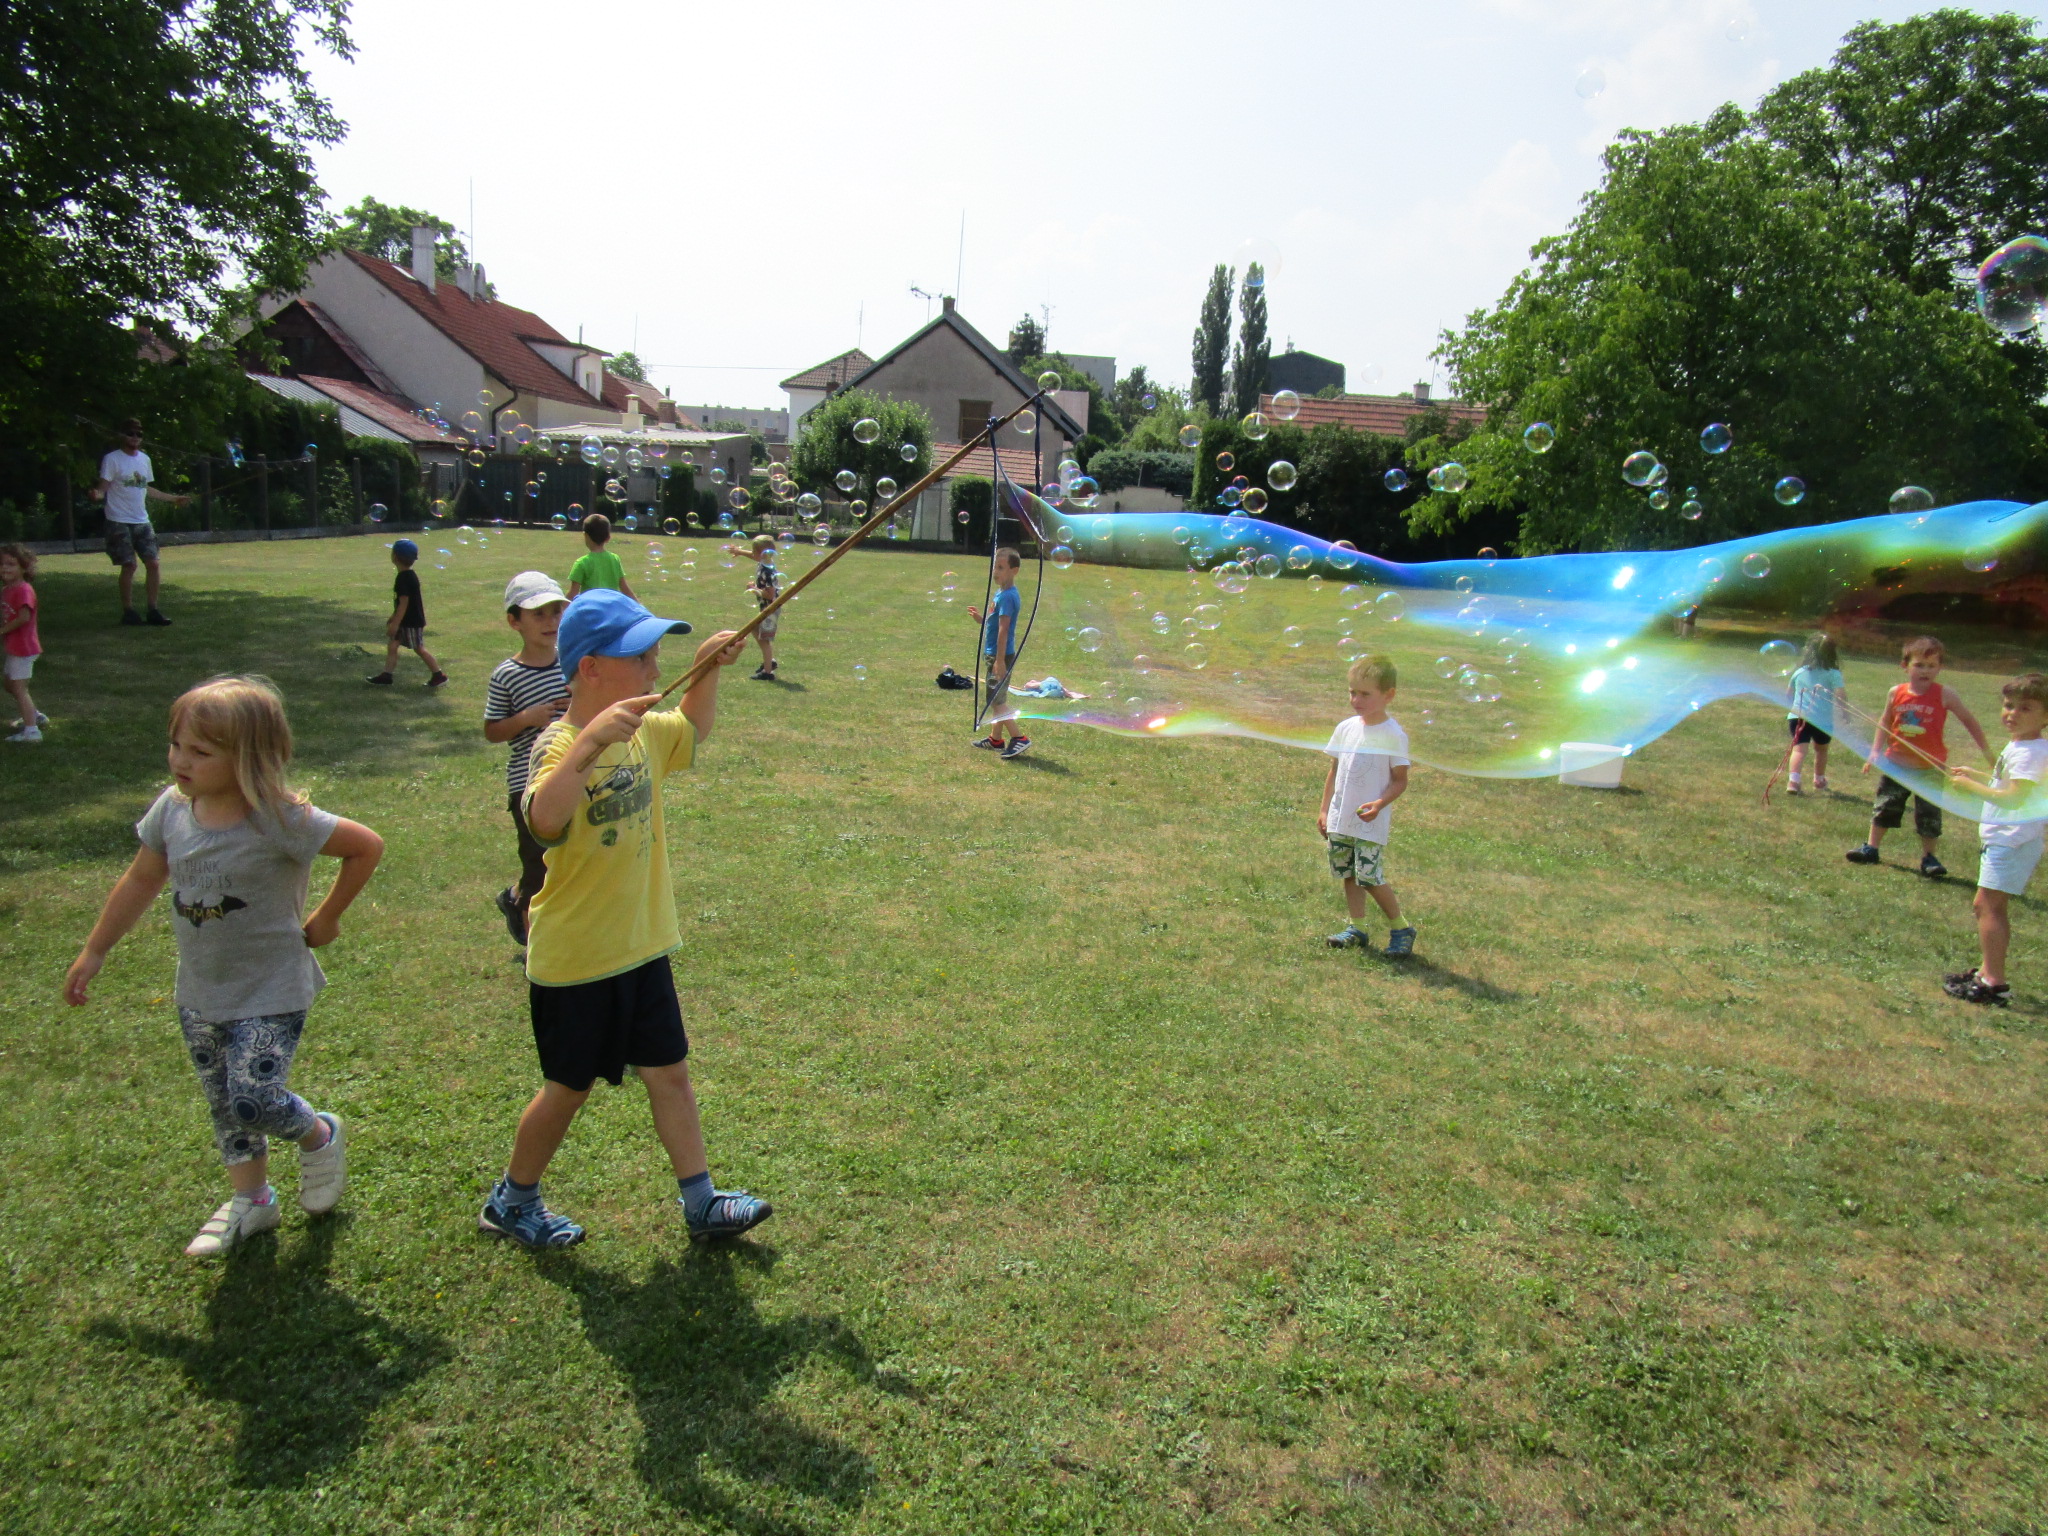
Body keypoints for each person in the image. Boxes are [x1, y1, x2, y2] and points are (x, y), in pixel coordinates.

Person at [478, 590, 770, 1248]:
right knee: (567, 1088)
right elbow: (543, 819)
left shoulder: (645, 732)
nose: (654, 668)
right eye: (639, 657)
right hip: (577, 958)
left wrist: (708, 668)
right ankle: (512, 1201)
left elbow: (692, 727)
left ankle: (701, 1201)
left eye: (656, 655)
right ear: (589, 669)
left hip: (641, 945)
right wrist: (588, 744)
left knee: (670, 1072)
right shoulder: (558, 745)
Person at [61, 676, 385, 1256]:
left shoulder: (281, 818)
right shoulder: (172, 810)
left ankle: (318, 1133)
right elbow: (140, 879)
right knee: (225, 1105)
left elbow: (366, 846)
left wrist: (328, 916)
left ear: (249, 758)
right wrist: (96, 949)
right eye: (176, 745)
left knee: (253, 1097)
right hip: (201, 990)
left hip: (272, 985)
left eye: (200, 752)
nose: (180, 761)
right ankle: (252, 1201)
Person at [1943, 673, 2048, 1006]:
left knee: (1989, 908)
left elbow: (2014, 799)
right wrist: (1977, 776)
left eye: (2025, 708)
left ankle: (1994, 983)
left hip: (2012, 840)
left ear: (2046, 717)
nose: (2012, 713)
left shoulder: (2030, 752)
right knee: (1986, 905)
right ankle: (1987, 971)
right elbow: (2007, 784)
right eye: (2008, 705)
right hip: (2007, 838)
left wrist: (1971, 788)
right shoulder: (2022, 745)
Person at [1847, 635, 1991, 876]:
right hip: (1896, 765)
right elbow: (1885, 721)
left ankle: (1929, 858)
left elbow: (1969, 720)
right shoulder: (1896, 692)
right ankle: (1871, 848)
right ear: (1905, 666)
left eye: (1932, 665)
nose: (1925, 670)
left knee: (1929, 814)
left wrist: (1986, 751)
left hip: (1929, 768)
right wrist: (1875, 751)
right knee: (1885, 806)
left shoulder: (1945, 694)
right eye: (1919, 665)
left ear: (1940, 667)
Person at [484, 571, 570, 944]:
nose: (550, 622)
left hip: (573, 774)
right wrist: (525, 718)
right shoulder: (507, 675)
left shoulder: (573, 660)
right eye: (538, 614)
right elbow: (492, 731)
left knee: (567, 861)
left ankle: (518, 900)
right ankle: (534, 948)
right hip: (529, 783)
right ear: (514, 621)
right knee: (538, 867)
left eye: (555, 612)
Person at [1320, 653, 1416, 957]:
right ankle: (1357, 928)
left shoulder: (1393, 735)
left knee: (1370, 877)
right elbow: (1334, 770)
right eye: (1352, 692)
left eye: (1365, 694)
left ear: (1388, 695)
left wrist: (1379, 804)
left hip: (1368, 822)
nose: (1356, 700)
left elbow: (1400, 780)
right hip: (1341, 817)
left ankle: (1401, 928)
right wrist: (1324, 809)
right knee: (1348, 873)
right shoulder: (1346, 728)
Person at [91, 418, 190, 626]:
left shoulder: (145, 459)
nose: (135, 437)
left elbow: (146, 488)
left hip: (141, 520)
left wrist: (173, 499)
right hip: (118, 520)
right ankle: (128, 611)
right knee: (129, 565)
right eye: (130, 433)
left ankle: (153, 610)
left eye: (139, 434)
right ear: (122, 435)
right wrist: (97, 494)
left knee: (153, 563)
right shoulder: (112, 459)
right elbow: (103, 487)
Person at [967, 547, 1028, 758]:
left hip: (999, 656)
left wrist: (999, 661)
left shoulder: (1008, 597)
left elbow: (1004, 629)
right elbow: (994, 622)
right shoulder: (1001, 593)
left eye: (1001, 567)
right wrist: (981, 620)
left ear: (1014, 571)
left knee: (996, 700)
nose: (996, 572)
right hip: (995, 654)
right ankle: (996, 739)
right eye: (995, 567)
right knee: (996, 697)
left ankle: (1019, 738)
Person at [365, 539, 448, 688]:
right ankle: (386, 676)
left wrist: (395, 624)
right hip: (406, 620)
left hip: (410, 622)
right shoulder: (408, 575)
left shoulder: (403, 578)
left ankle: (439, 675)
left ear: (395, 557)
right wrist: (393, 616)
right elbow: (401, 603)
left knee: (419, 648)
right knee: (392, 646)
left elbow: (404, 603)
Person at [1785, 631, 1846, 794]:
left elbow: (1789, 694)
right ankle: (1819, 780)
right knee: (1821, 750)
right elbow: (1840, 695)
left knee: (1799, 750)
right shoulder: (1833, 673)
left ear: (1808, 652)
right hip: (1822, 720)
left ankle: (1793, 781)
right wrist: (1844, 711)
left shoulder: (1799, 671)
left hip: (1798, 718)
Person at [1, 544, 45, 743]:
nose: (5, 568)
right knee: (9, 684)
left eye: (11, 564)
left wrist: (2, 631)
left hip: (24, 647)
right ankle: (34, 715)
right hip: (14, 647)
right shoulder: (7, 590)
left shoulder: (24, 590)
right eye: (2, 564)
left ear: (24, 568)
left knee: (19, 688)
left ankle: (32, 732)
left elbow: (24, 617)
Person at [724, 533, 781, 680]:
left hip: (770, 608)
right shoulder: (766, 561)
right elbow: (754, 556)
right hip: (767, 608)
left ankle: (768, 672)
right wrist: (740, 552)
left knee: (765, 640)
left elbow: (769, 595)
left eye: (754, 551)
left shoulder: (767, 571)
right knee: (755, 629)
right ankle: (769, 662)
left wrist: (753, 589)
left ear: (761, 553)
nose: (753, 554)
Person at [567, 512, 634, 598]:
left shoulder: (582, 563)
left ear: (585, 536)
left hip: (591, 605)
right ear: (608, 538)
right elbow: (625, 589)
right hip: (610, 605)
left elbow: (573, 593)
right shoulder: (615, 559)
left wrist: (561, 606)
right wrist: (639, 605)